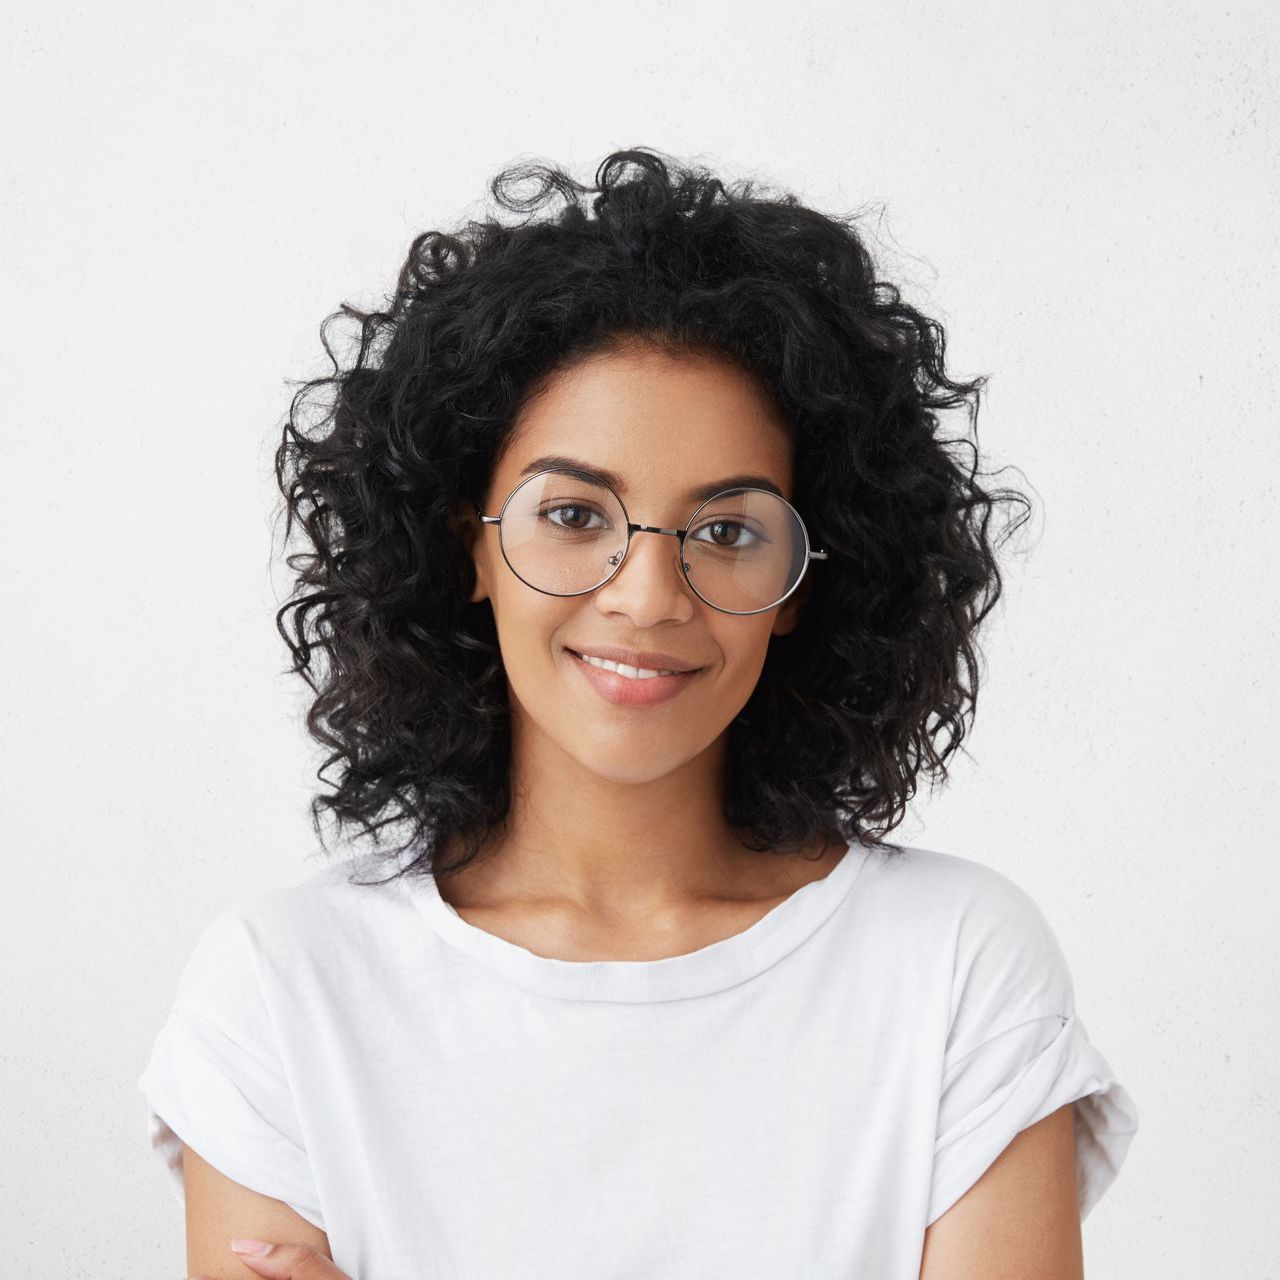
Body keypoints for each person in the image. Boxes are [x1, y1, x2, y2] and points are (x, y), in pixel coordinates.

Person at [138, 147, 1139, 1279]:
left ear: (803, 583)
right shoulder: (282, 987)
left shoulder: (954, 966)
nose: (647, 595)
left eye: (725, 529)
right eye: (573, 513)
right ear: (466, 541)